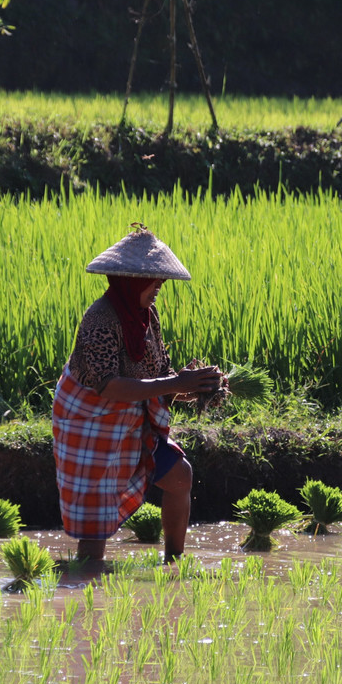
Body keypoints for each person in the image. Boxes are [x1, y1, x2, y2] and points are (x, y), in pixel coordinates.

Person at [52, 225, 222, 567]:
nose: (158, 288)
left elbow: (159, 377)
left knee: (180, 476)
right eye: (152, 282)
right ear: (129, 281)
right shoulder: (100, 319)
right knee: (94, 531)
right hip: (91, 421)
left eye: (160, 282)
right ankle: (85, 581)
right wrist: (176, 383)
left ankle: (174, 564)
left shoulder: (146, 315)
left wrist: (196, 386)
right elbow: (110, 387)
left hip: (130, 419)